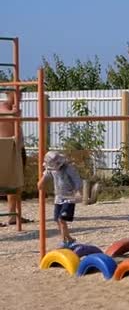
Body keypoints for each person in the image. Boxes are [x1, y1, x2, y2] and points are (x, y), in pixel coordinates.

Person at [37, 151, 82, 248]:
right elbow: (46, 176)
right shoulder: (51, 169)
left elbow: (77, 180)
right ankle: (69, 238)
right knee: (57, 220)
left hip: (69, 197)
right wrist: (41, 182)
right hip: (58, 197)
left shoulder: (68, 168)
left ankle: (64, 241)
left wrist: (77, 190)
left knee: (62, 219)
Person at [0, 90, 31, 227]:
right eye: (17, 92)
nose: (20, 95)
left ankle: (13, 215)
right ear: (8, 93)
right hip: (4, 148)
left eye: (21, 93)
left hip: (16, 148)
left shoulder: (15, 109)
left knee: (16, 183)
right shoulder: (3, 106)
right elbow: (5, 114)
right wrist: (13, 113)